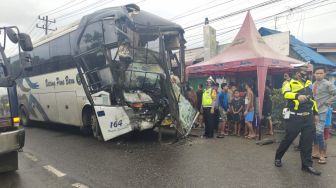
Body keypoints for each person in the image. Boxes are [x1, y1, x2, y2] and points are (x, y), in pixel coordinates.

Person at [274, 64, 321, 176]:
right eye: (302, 72)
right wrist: (296, 96)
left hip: (308, 117)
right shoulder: (288, 83)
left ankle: (307, 165)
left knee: (307, 141)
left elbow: (312, 100)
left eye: (306, 72)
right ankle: (278, 157)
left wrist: (316, 113)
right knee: (288, 139)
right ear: (296, 72)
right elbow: (285, 94)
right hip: (295, 116)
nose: (304, 74)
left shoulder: (309, 83)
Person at [312, 66, 336, 164]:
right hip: (313, 111)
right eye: (317, 73)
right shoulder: (313, 84)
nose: (318, 75)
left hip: (322, 111)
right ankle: (316, 152)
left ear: (325, 74)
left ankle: (322, 154)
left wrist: (328, 102)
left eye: (320, 73)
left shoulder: (328, 84)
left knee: (319, 132)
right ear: (314, 74)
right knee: (314, 132)